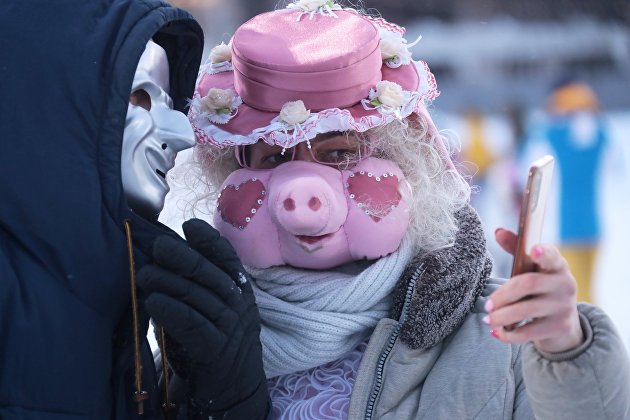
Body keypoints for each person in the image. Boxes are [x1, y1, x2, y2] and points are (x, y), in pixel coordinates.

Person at [141, 2, 630, 419]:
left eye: (339, 153)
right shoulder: (199, 332)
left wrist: (567, 350)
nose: (299, 188)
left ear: (406, 167)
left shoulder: (496, 334)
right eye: (271, 158)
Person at [0, 0, 227, 417]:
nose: (182, 135)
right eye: (141, 97)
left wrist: (222, 399)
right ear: (48, 108)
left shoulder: (117, 296)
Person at [541, 78, 608, 303]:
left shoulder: (556, 139)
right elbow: (600, 127)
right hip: (593, 227)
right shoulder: (598, 140)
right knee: (587, 292)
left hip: (568, 228)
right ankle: (594, 333)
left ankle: (586, 335)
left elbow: (549, 127)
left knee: (577, 295)